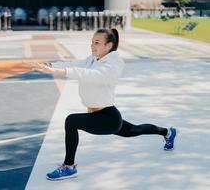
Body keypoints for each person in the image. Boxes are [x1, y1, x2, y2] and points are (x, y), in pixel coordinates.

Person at [28, 28, 177, 181]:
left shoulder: (114, 64)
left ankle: (69, 166)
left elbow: (92, 75)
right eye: (92, 42)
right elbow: (75, 64)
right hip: (103, 115)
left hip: (108, 117)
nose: (92, 46)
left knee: (71, 121)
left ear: (109, 46)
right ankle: (167, 132)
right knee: (134, 130)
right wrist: (49, 64)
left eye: (97, 43)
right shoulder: (93, 59)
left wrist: (62, 72)